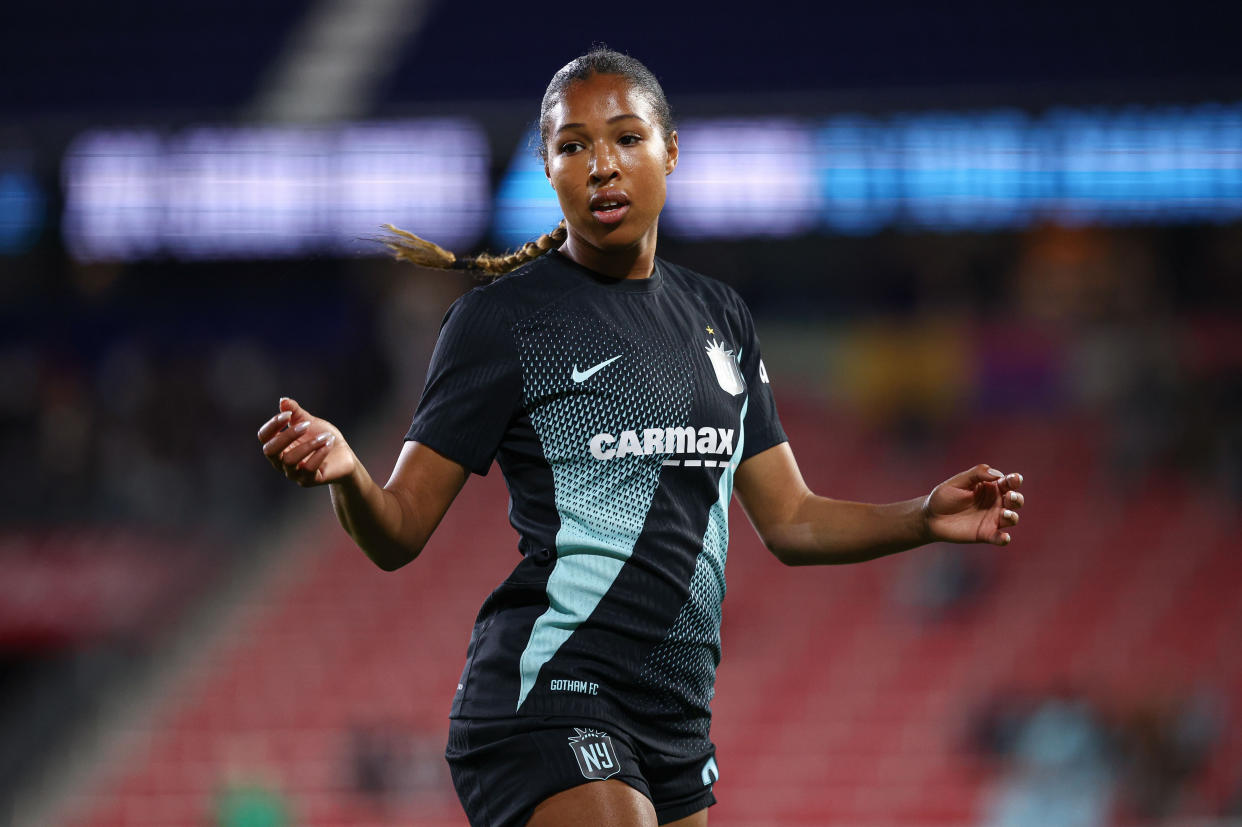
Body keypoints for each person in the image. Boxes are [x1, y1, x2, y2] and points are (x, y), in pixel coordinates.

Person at [256, 47, 1026, 827]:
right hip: (547, 693)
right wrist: (350, 473)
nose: (601, 166)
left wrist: (923, 516)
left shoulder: (720, 317)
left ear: (671, 151)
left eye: (626, 138)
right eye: (572, 146)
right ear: (548, 170)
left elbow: (791, 519)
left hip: (673, 716)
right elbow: (398, 531)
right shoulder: (503, 321)